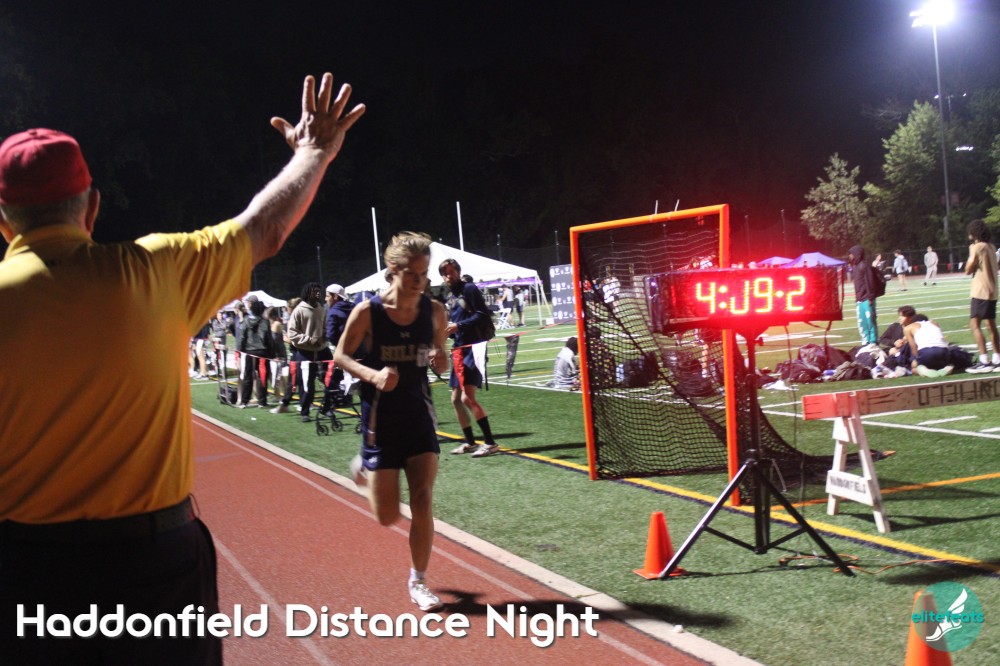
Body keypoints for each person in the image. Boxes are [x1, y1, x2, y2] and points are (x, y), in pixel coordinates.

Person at [0, 73, 364, 664]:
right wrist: (314, 153)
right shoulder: (155, 270)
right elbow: (265, 228)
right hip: (153, 564)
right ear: (92, 207)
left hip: (26, 569)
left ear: (4, 221)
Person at [334, 231, 449, 612]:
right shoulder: (368, 312)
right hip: (380, 422)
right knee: (387, 517)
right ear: (394, 270)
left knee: (423, 499)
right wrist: (373, 375)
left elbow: (441, 357)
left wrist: (441, 359)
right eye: (413, 275)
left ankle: (419, 581)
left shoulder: (434, 311)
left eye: (425, 274)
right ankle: (363, 468)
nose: (420, 282)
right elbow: (341, 356)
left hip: (418, 417)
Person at [439, 257, 500, 457]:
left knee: (467, 397)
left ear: (458, 271)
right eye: (445, 273)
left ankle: (490, 443)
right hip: (458, 348)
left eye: (451, 271)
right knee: (456, 399)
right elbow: (458, 321)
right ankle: (471, 442)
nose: (449, 276)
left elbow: (482, 314)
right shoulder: (451, 294)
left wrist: (458, 326)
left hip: (473, 349)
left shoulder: (469, 289)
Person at [277, 282, 331, 420]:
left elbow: (325, 326)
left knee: (331, 377)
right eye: (315, 291)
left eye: (319, 291)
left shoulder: (321, 309)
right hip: (305, 352)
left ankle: (327, 408)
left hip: (322, 349)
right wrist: (310, 340)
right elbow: (292, 333)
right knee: (306, 382)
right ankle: (305, 412)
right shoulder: (299, 311)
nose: (318, 294)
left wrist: (324, 336)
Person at [963, 219, 1000, 373]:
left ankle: (984, 360)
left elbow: (968, 269)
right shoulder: (991, 246)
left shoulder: (977, 247)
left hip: (980, 290)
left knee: (975, 324)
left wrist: (971, 252)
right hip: (992, 290)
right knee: (991, 325)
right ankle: (997, 359)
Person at [323, 282, 356, 412]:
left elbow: (331, 335)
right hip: (359, 352)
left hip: (343, 353)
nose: (325, 299)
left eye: (327, 296)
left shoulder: (333, 312)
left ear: (335, 296)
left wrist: (341, 345)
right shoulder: (354, 307)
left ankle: (326, 407)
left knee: (333, 379)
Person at [237, 298, 275, 408]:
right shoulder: (265, 322)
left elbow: (242, 336)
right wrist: (272, 353)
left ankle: (244, 401)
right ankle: (262, 401)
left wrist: (241, 349)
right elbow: (269, 339)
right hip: (262, 352)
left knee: (248, 376)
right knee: (262, 376)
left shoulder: (246, 320)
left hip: (249, 351)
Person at [895, 306, 953, 378]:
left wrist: (917, 360)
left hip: (926, 353)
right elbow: (943, 340)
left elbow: (914, 349)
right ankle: (947, 367)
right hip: (944, 353)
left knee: (914, 367)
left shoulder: (908, 328)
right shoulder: (934, 323)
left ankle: (925, 371)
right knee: (944, 362)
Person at [847, 244, 880, 345]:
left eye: (851, 253)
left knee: (870, 321)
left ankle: (873, 341)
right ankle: (865, 341)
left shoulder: (864, 266)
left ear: (857, 254)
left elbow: (870, 282)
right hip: (860, 299)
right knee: (862, 322)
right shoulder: (855, 267)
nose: (850, 256)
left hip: (867, 299)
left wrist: (870, 297)